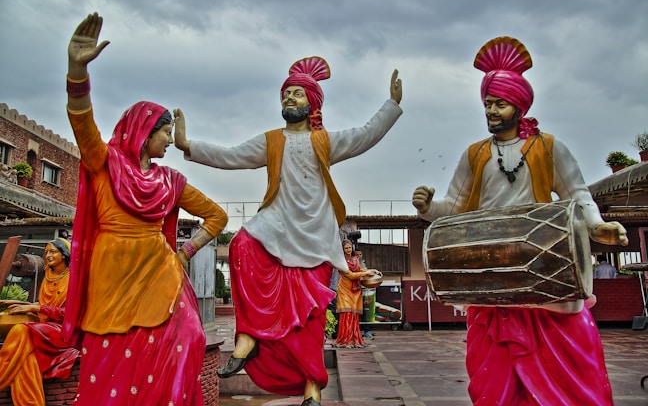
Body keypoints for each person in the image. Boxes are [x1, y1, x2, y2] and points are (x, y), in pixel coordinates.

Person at [412, 36, 628, 405]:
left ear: (520, 105)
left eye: (499, 103)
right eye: (487, 104)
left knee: (566, 372)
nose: (491, 111)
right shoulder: (475, 154)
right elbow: (458, 208)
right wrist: (429, 208)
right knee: (493, 378)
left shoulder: (549, 147)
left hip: (544, 271)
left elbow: (577, 194)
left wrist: (596, 227)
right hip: (493, 279)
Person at [174, 56, 402, 406]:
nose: (290, 99)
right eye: (287, 94)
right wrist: (189, 145)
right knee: (240, 246)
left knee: (308, 321)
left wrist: (391, 105)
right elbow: (231, 155)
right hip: (276, 226)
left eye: (297, 94)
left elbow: (364, 135)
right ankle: (247, 337)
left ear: (312, 103)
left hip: (315, 238)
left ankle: (313, 391)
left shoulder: (324, 140)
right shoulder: (271, 141)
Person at [61, 13, 228, 405]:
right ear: (144, 131)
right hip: (111, 278)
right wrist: (76, 72)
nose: (170, 140)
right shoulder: (104, 163)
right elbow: (82, 124)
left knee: (190, 337)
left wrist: (184, 253)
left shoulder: (171, 180)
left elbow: (216, 216)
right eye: (165, 132)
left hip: (160, 274)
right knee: (110, 357)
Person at [0, 238, 79, 406]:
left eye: (53, 252)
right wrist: (23, 305)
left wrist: (34, 309)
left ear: (64, 255)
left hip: (65, 332)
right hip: (46, 327)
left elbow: (70, 315)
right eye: (47, 251)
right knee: (26, 358)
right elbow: (45, 307)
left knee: (21, 330)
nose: (48, 255)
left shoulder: (74, 280)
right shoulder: (48, 276)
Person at [335, 240, 377, 348]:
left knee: (354, 315)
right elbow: (350, 275)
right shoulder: (341, 261)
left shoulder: (355, 259)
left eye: (350, 248)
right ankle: (345, 340)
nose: (348, 250)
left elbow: (359, 270)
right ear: (342, 250)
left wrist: (370, 271)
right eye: (346, 248)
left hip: (355, 290)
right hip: (345, 290)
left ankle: (354, 339)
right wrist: (365, 273)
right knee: (347, 314)